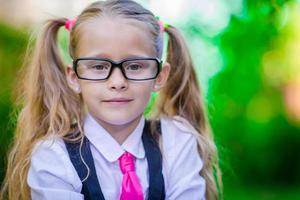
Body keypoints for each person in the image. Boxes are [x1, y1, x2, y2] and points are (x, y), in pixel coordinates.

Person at [0, 0, 222, 199]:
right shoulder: (53, 156)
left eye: (134, 66)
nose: (117, 82)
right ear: (74, 77)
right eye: (98, 66)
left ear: (159, 76)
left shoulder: (177, 142)